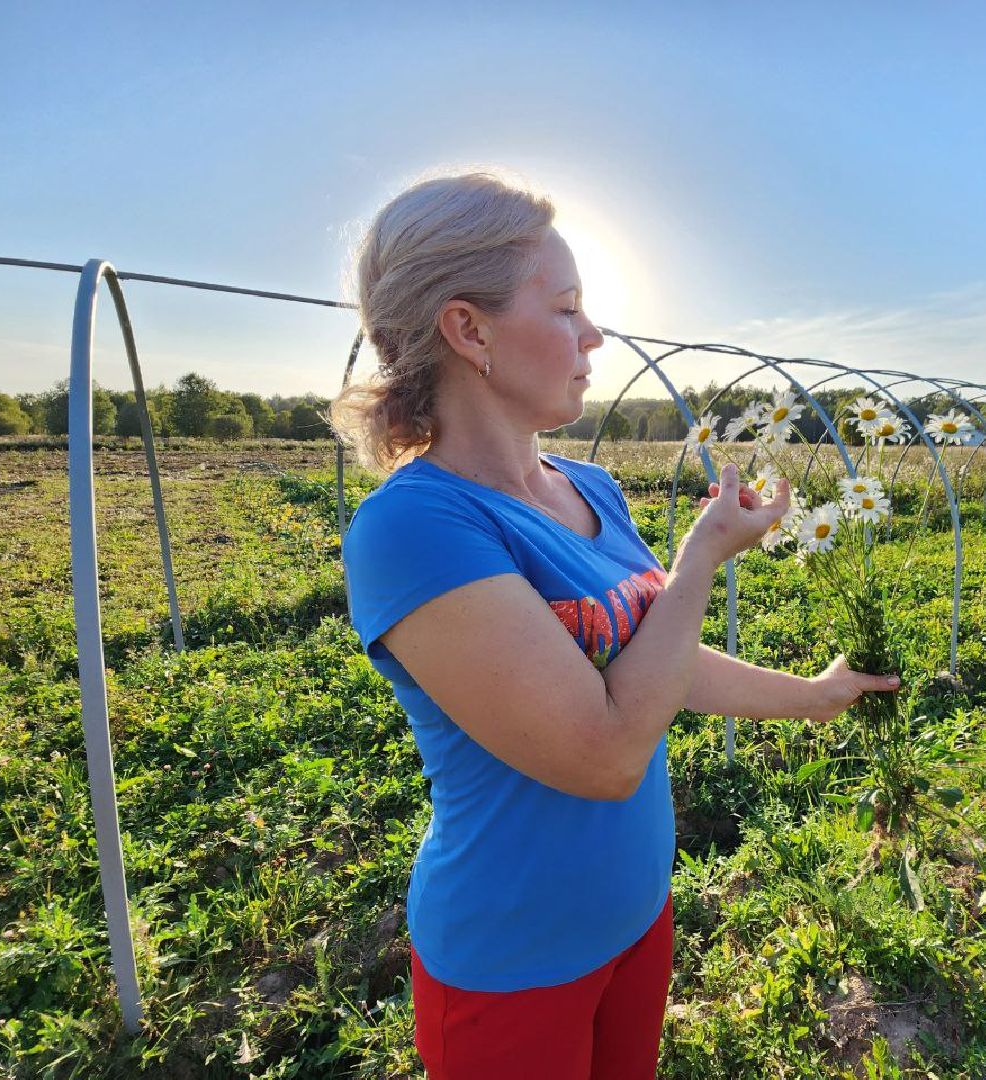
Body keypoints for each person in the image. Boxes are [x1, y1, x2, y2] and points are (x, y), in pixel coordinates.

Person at [331, 169, 900, 1079]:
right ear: (468, 328)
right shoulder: (415, 527)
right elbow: (604, 752)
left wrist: (815, 698)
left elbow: (657, 664)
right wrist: (699, 563)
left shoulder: (587, 488)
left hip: (635, 914)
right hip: (511, 962)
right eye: (565, 309)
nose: (593, 335)